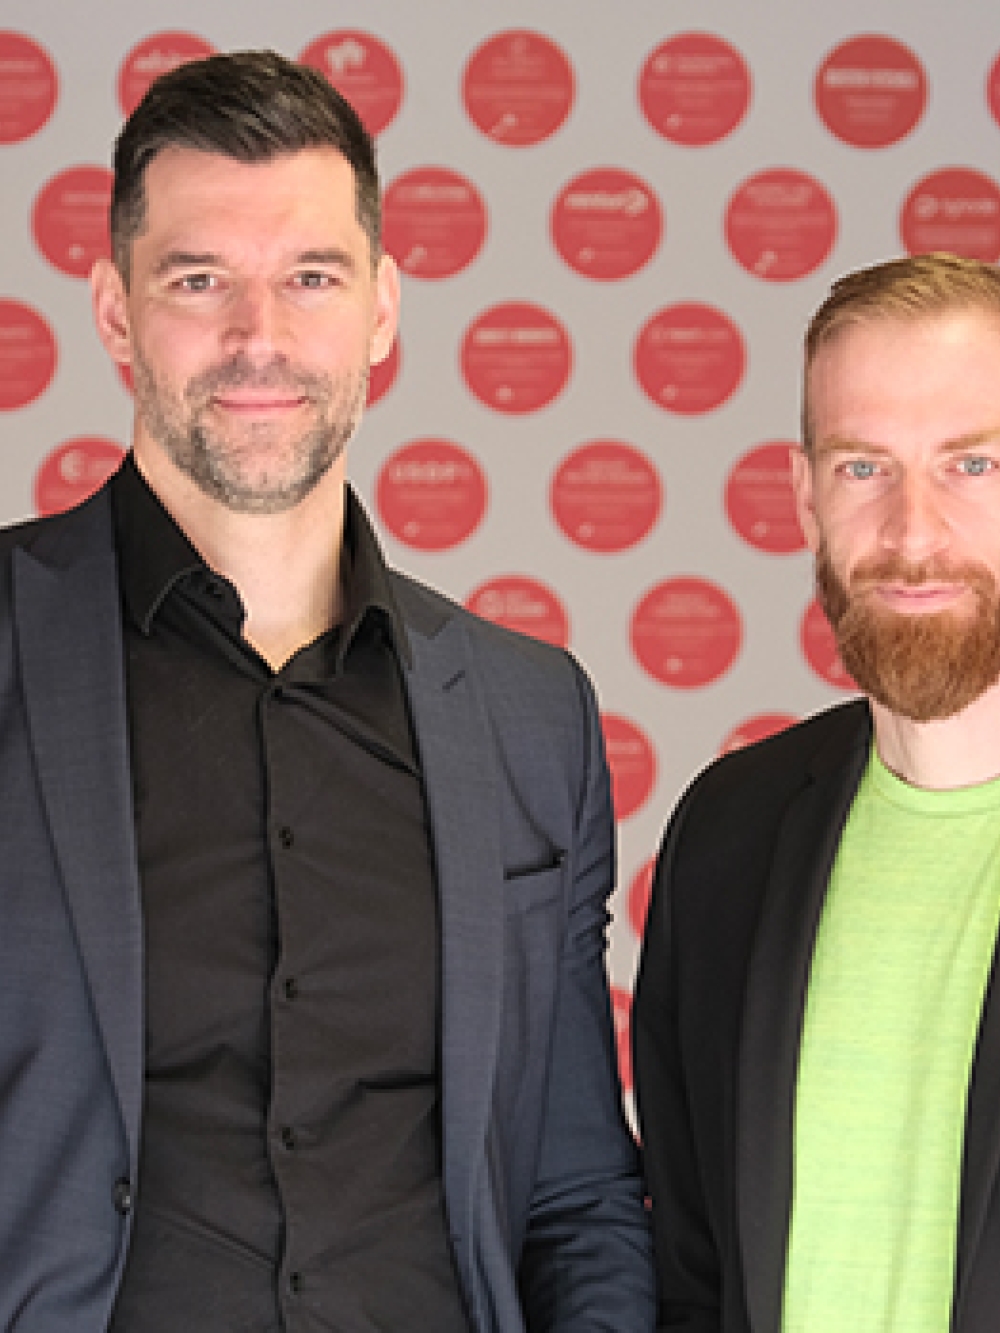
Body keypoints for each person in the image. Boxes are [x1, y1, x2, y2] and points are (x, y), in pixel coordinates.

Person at [0, 49, 654, 1332]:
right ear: (116, 310)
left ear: (382, 309)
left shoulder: (530, 716)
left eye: (311, 277)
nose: (260, 337)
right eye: (199, 279)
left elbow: (575, 1194)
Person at [633, 251, 1000, 1333]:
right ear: (804, 500)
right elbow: (688, 1272)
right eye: (863, 467)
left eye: (972, 464)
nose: (913, 531)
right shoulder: (729, 833)